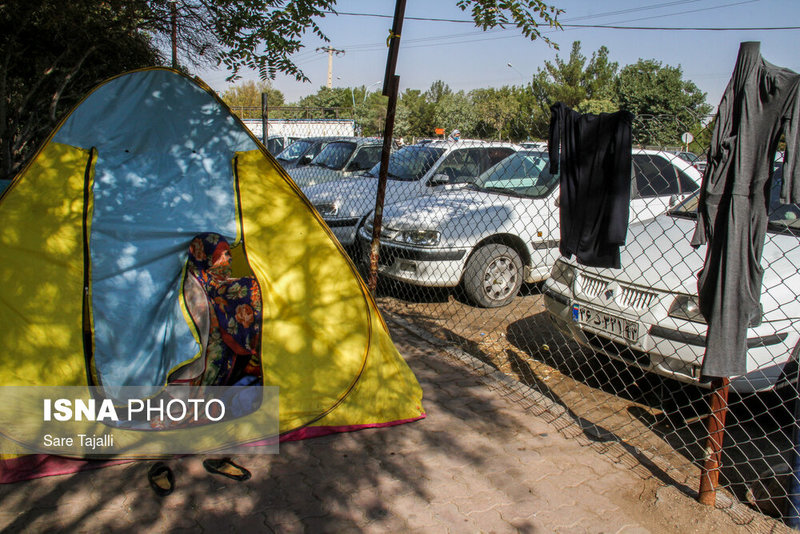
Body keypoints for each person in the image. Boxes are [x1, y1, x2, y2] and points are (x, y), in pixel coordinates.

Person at [147, 233, 263, 496]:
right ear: (205, 255)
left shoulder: (217, 283)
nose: (227, 260)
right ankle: (158, 463)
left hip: (216, 365)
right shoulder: (187, 284)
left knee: (214, 407)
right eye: (222, 255)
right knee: (172, 411)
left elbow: (240, 293)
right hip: (188, 367)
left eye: (227, 255)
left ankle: (216, 456)